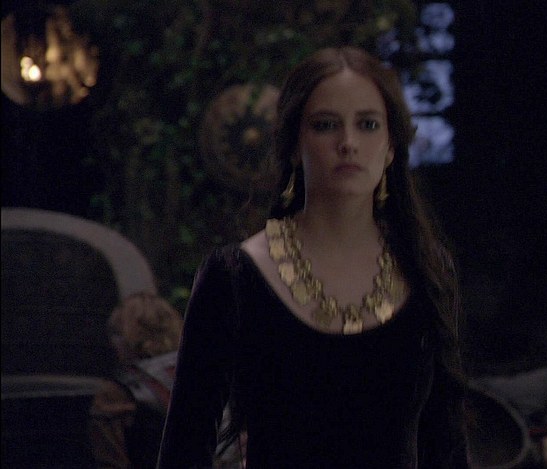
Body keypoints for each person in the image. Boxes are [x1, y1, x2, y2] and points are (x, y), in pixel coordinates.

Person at [157, 46, 468, 468]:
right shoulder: (234, 277)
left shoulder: (424, 267)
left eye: (368, 124)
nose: (348, 143)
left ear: (391, 146)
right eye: (325, 125)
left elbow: (445, 444)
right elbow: (183, 451)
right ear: (293, 144)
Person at [88, 291, 183, 468]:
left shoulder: (117, 394)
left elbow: (111, 461)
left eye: (116, 334)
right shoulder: (208, 372)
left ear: (124, 337)